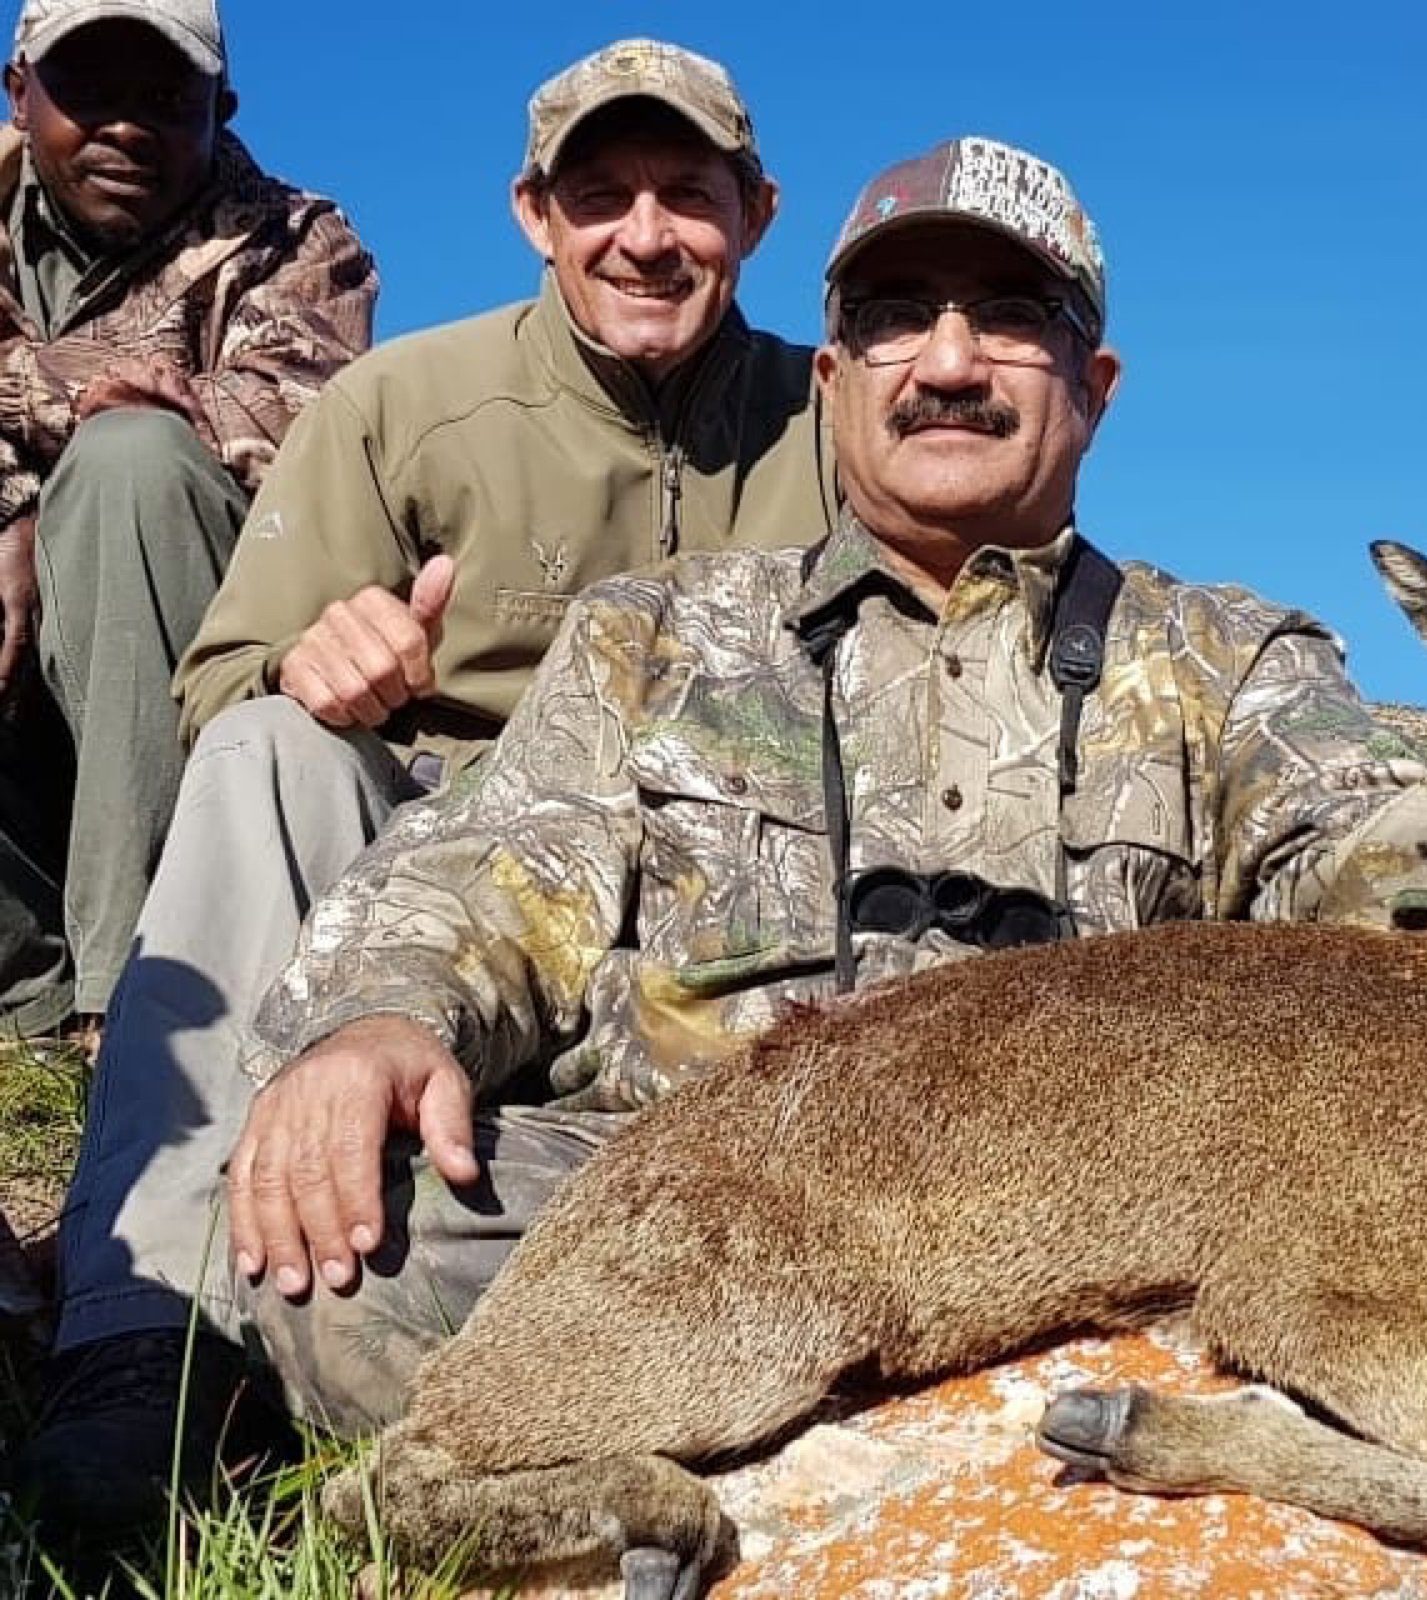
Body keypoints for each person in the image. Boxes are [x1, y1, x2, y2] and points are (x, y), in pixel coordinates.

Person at [211, 136, 1427, 1442]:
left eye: (1013, 315)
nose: (952, 361)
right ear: (830, 375)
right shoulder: (656, 636)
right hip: (714, 1200)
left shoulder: (1226, 655)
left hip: (1112, 1227)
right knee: (345, 1258)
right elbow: (490, 871)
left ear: (1093, 380)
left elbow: (1369, 837)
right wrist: (380, 1017)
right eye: (899, 315)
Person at [17, 38, 834, 1538]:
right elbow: (216, 686)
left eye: (685, 195)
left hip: (718, 895)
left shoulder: (843, 423)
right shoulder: (405, 401)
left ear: (758, 214)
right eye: (600, 196)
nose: (643, 235)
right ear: (535, 215)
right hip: (444, 853)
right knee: (268, 753)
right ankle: (147, 1346)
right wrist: (314, 669)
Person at [0, 0, 376, 1039]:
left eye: (166, 99)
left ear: (224, 110)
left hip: (188, 660)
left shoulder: (300, 241)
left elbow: (287, 415)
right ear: (18, 92)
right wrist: (17, 504)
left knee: (132, 465)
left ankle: (137, 997)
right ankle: (20, 988)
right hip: (26, 692)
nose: (127, 126)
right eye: (91, 90)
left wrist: (65, 430)